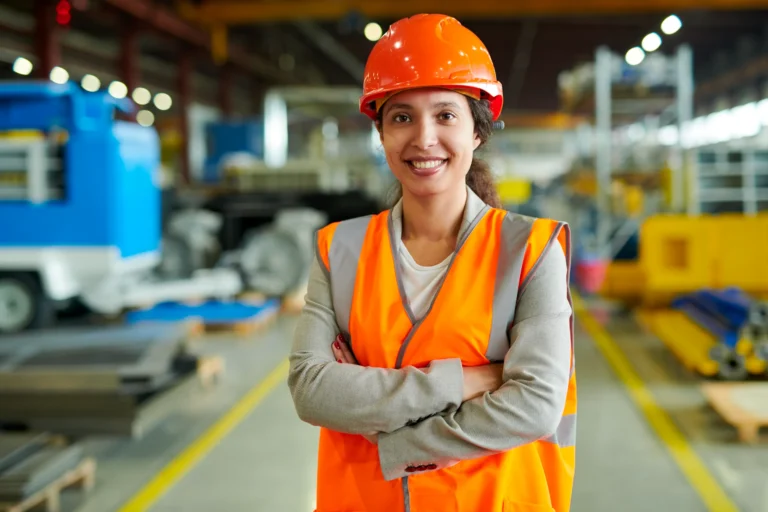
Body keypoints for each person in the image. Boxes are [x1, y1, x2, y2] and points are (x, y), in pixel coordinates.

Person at [288, 13, 576, 512]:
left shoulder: (531, 250)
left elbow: (534, 405)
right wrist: (468, 381)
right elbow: (312, 389)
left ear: (477, 132)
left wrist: (400, 445)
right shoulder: (340, 250)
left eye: (446, 115)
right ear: (380, 132)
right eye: (402, 117)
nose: (423, 138)